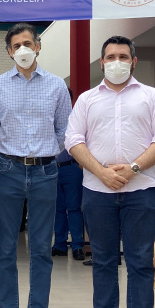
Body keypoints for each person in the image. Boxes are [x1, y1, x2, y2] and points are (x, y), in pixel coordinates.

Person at [66, 35, 155, 308]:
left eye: (123, 56)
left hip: (141, 191)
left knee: (140, 261)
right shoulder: (87, 100)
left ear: (133, 61)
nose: (117, 62)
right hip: (97, 192)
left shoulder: (151, 97)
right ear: (101, 63)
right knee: (103, 261)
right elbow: (73, 140)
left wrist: (133, 168)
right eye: (111, 57)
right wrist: (101, 172)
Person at [0, 22, 72, 308]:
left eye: (27, 43)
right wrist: (7, 155)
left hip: (45, 172)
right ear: (9, 52)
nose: (22, 49)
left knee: (41, 249)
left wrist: (46, 155)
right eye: (16, 45)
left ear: (38, 46)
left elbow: (65, 130)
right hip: (8, 169)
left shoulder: (56, 86)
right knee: (6, 249)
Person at [53, 88, 86, 261]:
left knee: (73, 207)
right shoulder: (49, 117)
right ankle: (59, 244)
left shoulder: (76, 117)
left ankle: (77, 245)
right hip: (52, 167)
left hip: (71, 167)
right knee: (57, 208)